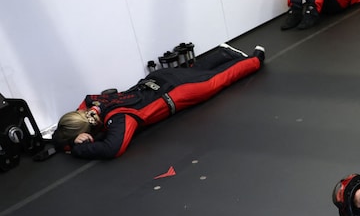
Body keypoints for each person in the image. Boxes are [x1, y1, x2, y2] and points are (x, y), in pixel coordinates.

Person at [51, 43, 264, 159]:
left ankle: (254, 59)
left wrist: (79, 148)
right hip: (157, 79)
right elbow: (80, 109)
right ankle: (225, 52)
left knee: (218, 79)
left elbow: (112, 149)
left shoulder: (119, 119)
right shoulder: (94, 102)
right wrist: (73, 135)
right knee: (195, 70)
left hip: (176, 93)